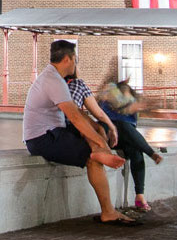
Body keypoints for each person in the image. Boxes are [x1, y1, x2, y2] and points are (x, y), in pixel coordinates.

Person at [23, 40, 132, 225]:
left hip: (53, 133)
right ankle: (108, 212)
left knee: (92, 129)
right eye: (75, 59)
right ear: (68, 59)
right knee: (92, 158)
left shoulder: (54, 78)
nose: (75, 63)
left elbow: (80, 114)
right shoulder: (53, 80)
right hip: (42, 138)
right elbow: (74, 117)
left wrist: (99, 135)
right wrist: (99, 144)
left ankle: (100, 152)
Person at [87, 69, 163, 213]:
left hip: (127, 137)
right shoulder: (110, 96)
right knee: (122, 125)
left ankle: (140, 196)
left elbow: (135, 109)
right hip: (109, 136)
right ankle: (151, 153)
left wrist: (145, 105)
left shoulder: (132, 102)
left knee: (135, 151)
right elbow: (120, 107)